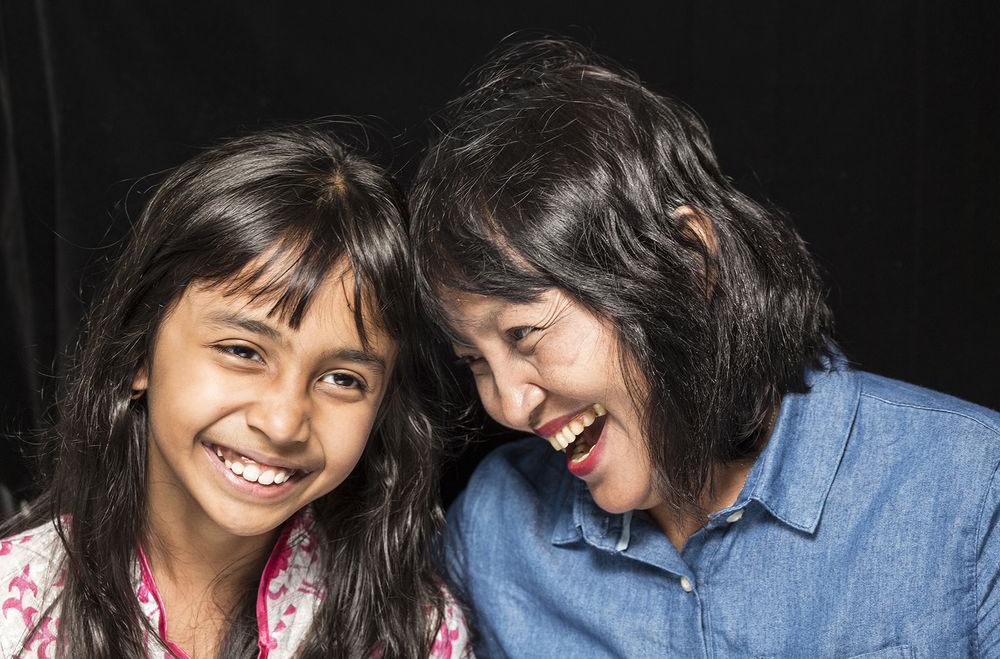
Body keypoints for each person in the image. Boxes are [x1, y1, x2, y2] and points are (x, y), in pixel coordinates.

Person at [409, 39, 1000, 657]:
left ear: (688, 262)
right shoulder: (495, 529)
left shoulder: (970, 493)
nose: (508, 403)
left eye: (524, 334)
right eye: (474, 361)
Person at [0, 125, 469, 658]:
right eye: (243, 351)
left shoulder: (417, 632)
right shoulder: (14, 612)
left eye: (342, 379)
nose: (283, 421)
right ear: (138, 353)